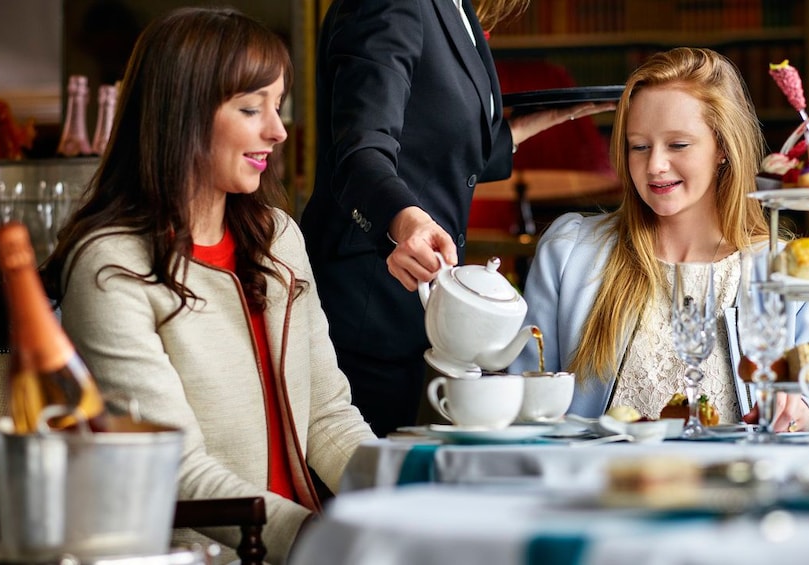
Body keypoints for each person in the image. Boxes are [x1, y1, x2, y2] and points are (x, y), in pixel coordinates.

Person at [42, 8, 376, 564]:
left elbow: (328, 417)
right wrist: (325, 540)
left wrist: (414, 492)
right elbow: (176, 469)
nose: (278, 130)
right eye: (252, 109)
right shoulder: (110, 267)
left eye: (277, 105)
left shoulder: (278, 239)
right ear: (184, 116)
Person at [300, 0, 614, 436]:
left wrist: (526, 128)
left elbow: (433, 149)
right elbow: (361, 152)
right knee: (362, 483)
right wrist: (403, 221)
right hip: (367, 307)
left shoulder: (456, 10)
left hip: (418, 308)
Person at [508, 47, 809, 432]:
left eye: (678, 145)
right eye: (639, 146)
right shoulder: (569, 252)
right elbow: (523, 405)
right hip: (597, 487)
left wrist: (804, 412)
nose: (654, 166)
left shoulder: (783, 267)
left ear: (722, 147)